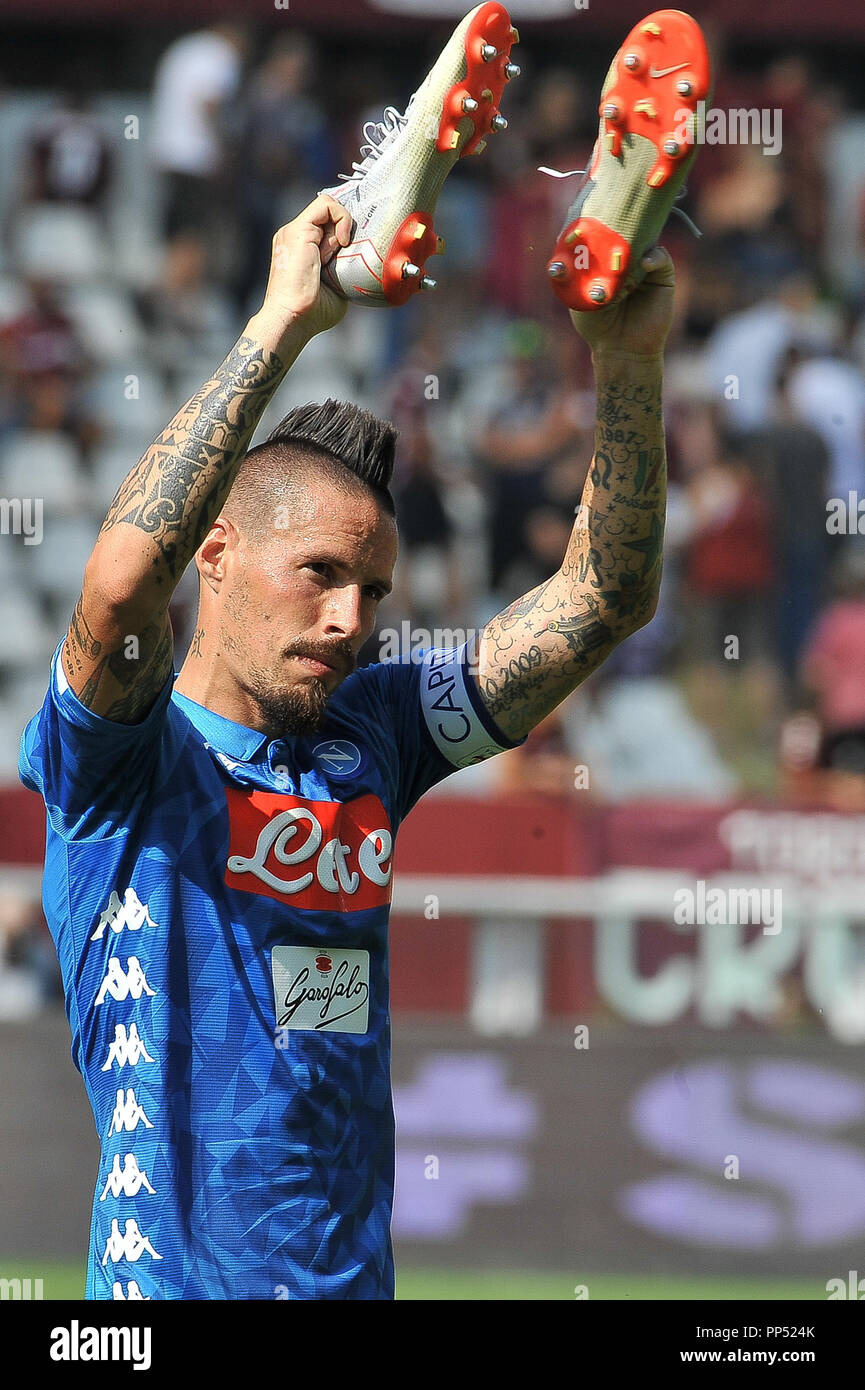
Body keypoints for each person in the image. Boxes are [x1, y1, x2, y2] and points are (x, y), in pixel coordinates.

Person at [19, 16, 673, 1303]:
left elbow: (603, 595)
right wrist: (283, 325)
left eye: (370, 588)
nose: (350, 616)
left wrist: (629, 361)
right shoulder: (121, 760)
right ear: (217, 557)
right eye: (316, 572)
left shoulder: (372, 734)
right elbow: (115, 582)